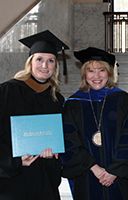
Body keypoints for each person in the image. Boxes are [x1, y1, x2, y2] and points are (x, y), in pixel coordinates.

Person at [61, 47, 128, 200]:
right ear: (84, 74)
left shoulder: (123, 100)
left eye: (101, 70)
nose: (96, 76)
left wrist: (114, 171)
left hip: (118, 177)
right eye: (90, 71)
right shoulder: (73, 104)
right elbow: (68, 141)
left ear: (109, 72)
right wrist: (94, 167)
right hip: (87, 174)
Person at [0, 30, 68, 200]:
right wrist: (15, 161)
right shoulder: (7, 91)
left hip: (44, 179)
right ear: (30, 62)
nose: (45, 66)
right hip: (12, 180)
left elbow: (62, 135)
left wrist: (57, 151)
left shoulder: (57, 99)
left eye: (50, 61)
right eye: (39, 59)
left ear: (56, 66)